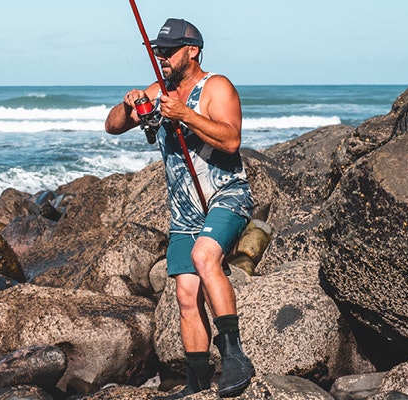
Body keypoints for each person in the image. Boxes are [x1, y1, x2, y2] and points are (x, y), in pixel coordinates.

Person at [104, 18, 256, 398]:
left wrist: (184, 114)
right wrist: (128, 106)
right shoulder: (159, 91)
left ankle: (235, 356)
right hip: (185, 211)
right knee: (186, 294)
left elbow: (232, 140)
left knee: (206, 258)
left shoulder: (216, 86)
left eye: (169, 51)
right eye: (158, 52)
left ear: (193, 51)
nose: (163, 58)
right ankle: (197, 382)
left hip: (225, 195)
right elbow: (112, 126)